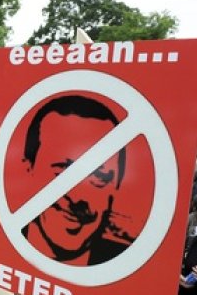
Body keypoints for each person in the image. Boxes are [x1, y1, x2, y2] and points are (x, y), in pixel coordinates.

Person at [23, 95, 129, 266]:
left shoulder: (124, 267)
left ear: (115, 189)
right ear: (29, 169)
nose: (77, 197)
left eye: (100, 178)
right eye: (63, 171)